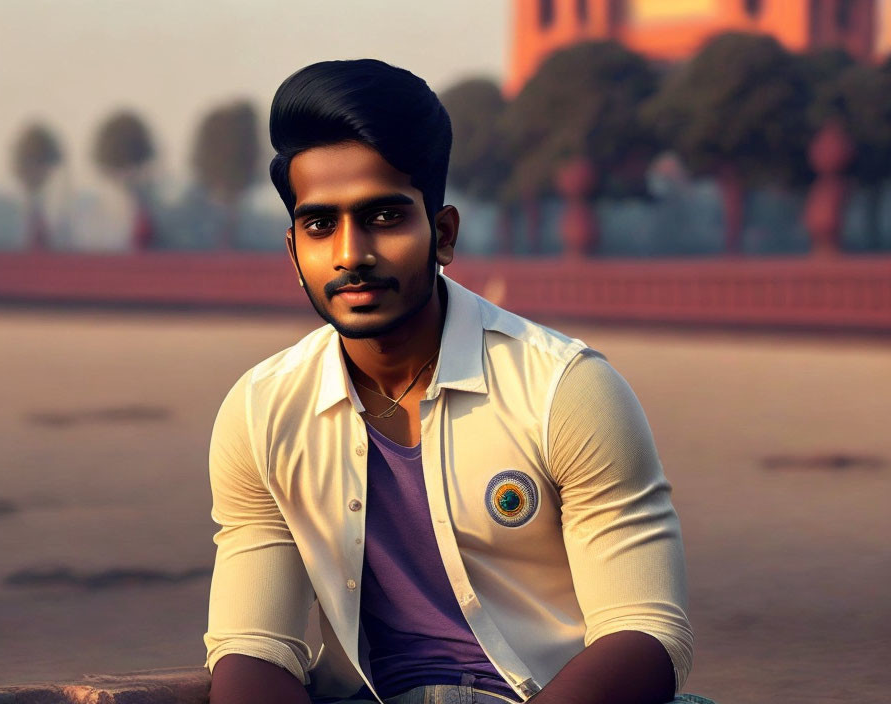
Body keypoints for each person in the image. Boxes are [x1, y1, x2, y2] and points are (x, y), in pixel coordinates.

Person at [204, 59, 705, 704]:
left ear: (442, 234)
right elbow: (253, 646)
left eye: (383, 217)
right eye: (320, 224)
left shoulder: (566, 390)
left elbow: (646, 630)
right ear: (293, 249)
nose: (350, 254)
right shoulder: (261, 411)